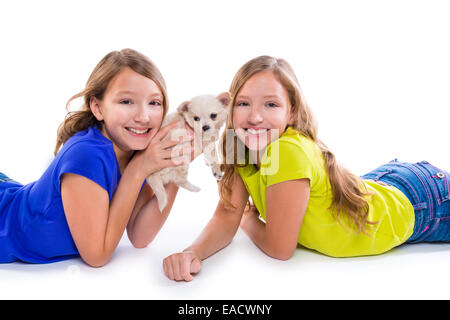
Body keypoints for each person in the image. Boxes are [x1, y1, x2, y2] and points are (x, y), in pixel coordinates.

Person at [163, 55, 450, 282]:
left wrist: (248, 218)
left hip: (423, 204)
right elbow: (228, 212)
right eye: (243, 103)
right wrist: (191, 253)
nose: (255, 116)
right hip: (381, 186)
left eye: (271, 104)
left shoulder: (285, 151)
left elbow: (279, 249)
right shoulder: (239, 144)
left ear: (292, 112)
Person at [0, 48, 193, 266]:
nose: (143, 116)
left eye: (154, 103)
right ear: (97, 107)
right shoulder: (86, 155)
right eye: (126, 101)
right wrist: (138, 170)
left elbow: (140, 236)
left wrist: (177, 165)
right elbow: (96, 256)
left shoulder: (137, 151)